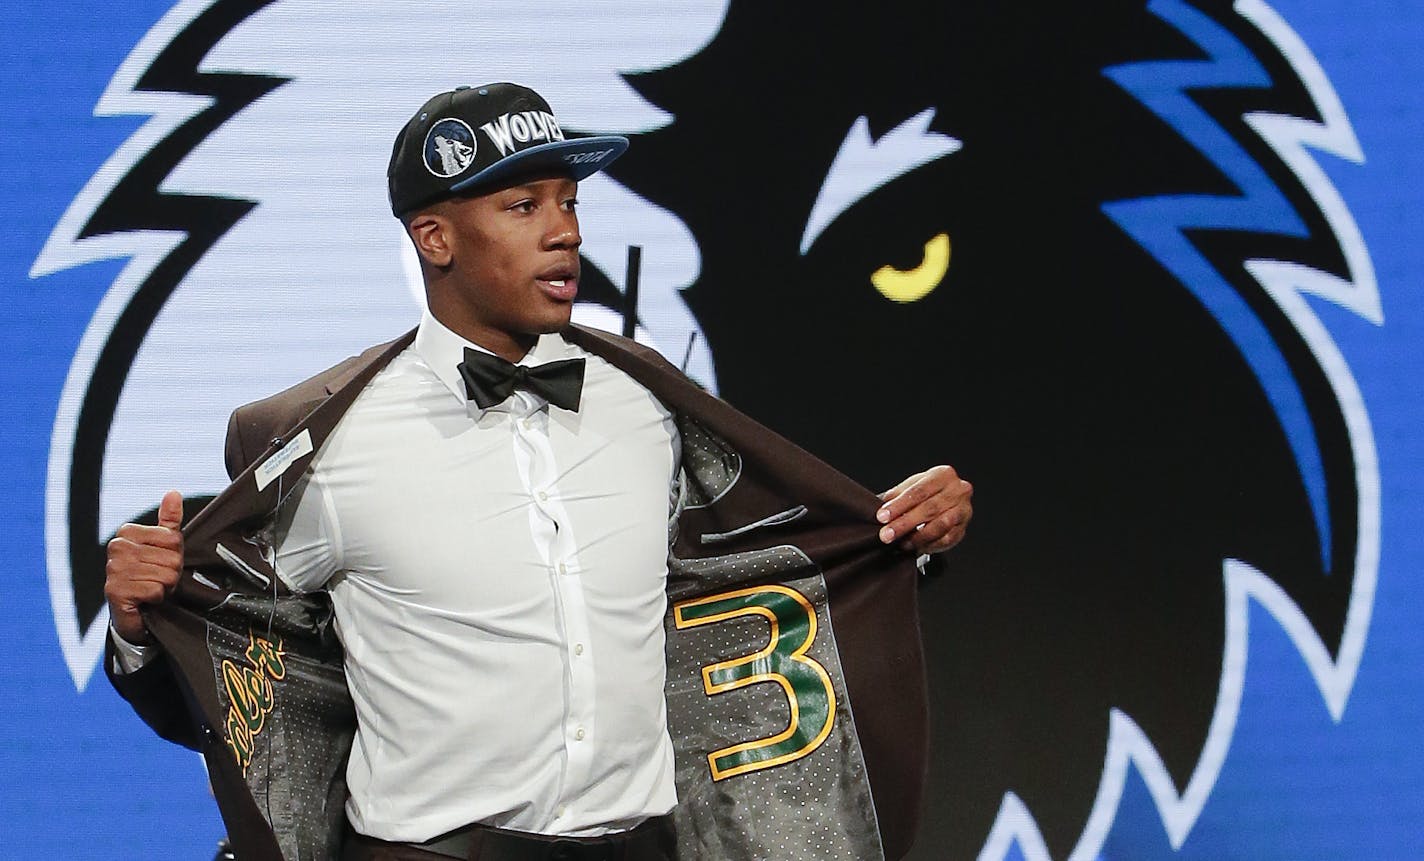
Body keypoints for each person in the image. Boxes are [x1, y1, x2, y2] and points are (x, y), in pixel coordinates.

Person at [104, 83, 973, 861]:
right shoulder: (326, 444)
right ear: (434, 237)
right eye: (524, 204)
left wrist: (900, 533)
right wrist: (145, 624)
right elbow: (245, 675)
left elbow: (761, 574)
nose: (566, 232)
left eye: (568, 201)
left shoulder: (650, 402)